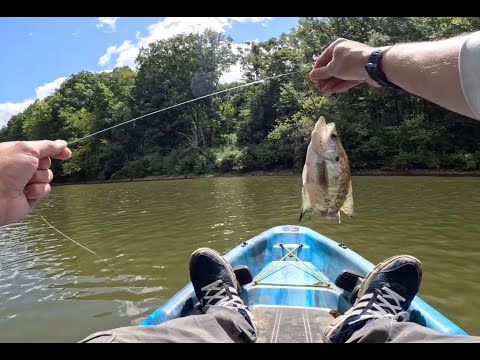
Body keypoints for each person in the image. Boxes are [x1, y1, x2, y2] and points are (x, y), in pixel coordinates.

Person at [2, 30, 480, 343]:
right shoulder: (323, 150)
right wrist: (373, 62)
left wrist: (374, 63)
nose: (327, 136)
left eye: (330, 140)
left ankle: (224, 322)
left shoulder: (326, 153)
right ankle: (372, 328)